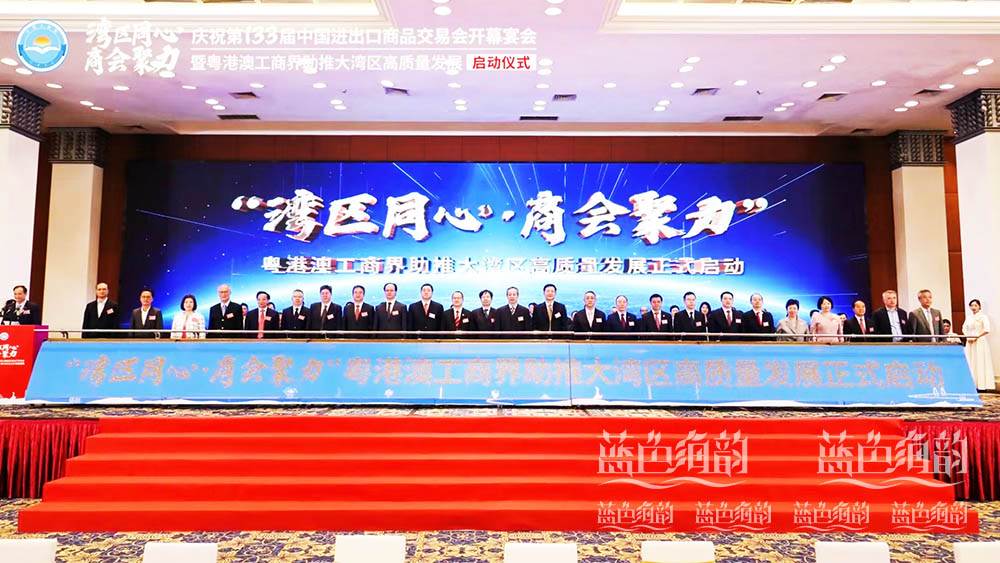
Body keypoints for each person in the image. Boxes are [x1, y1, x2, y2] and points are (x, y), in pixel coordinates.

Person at [963, 299, 995, 390]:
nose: (973, 307)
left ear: (979, 307)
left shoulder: (983, 317)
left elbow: (987, 330)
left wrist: (976, 337)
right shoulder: (968, 317)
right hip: (970, 341)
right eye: (972, 305)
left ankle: (982, 385)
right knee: (971, 361)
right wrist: (968, 337)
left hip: (979, 341)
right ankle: (972, 384)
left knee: (980, 362)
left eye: (975, 305)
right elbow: (964, 328)